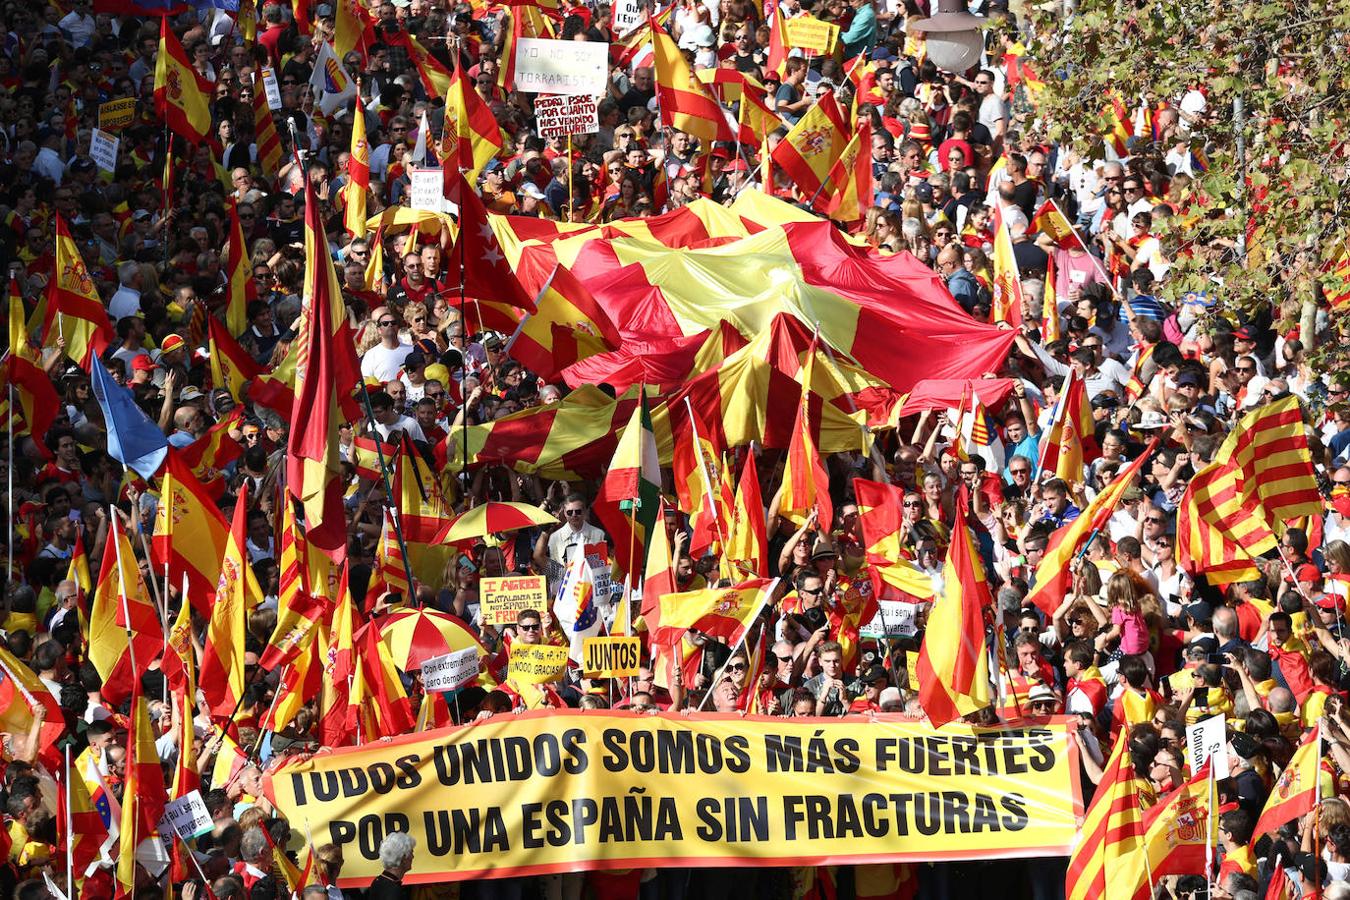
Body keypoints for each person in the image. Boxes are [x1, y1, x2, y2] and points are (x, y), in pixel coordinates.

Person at [367, 831, 416, 899]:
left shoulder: (379, 881)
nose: (412, 857)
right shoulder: (393, 891)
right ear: (404, 857)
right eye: (411, 852)